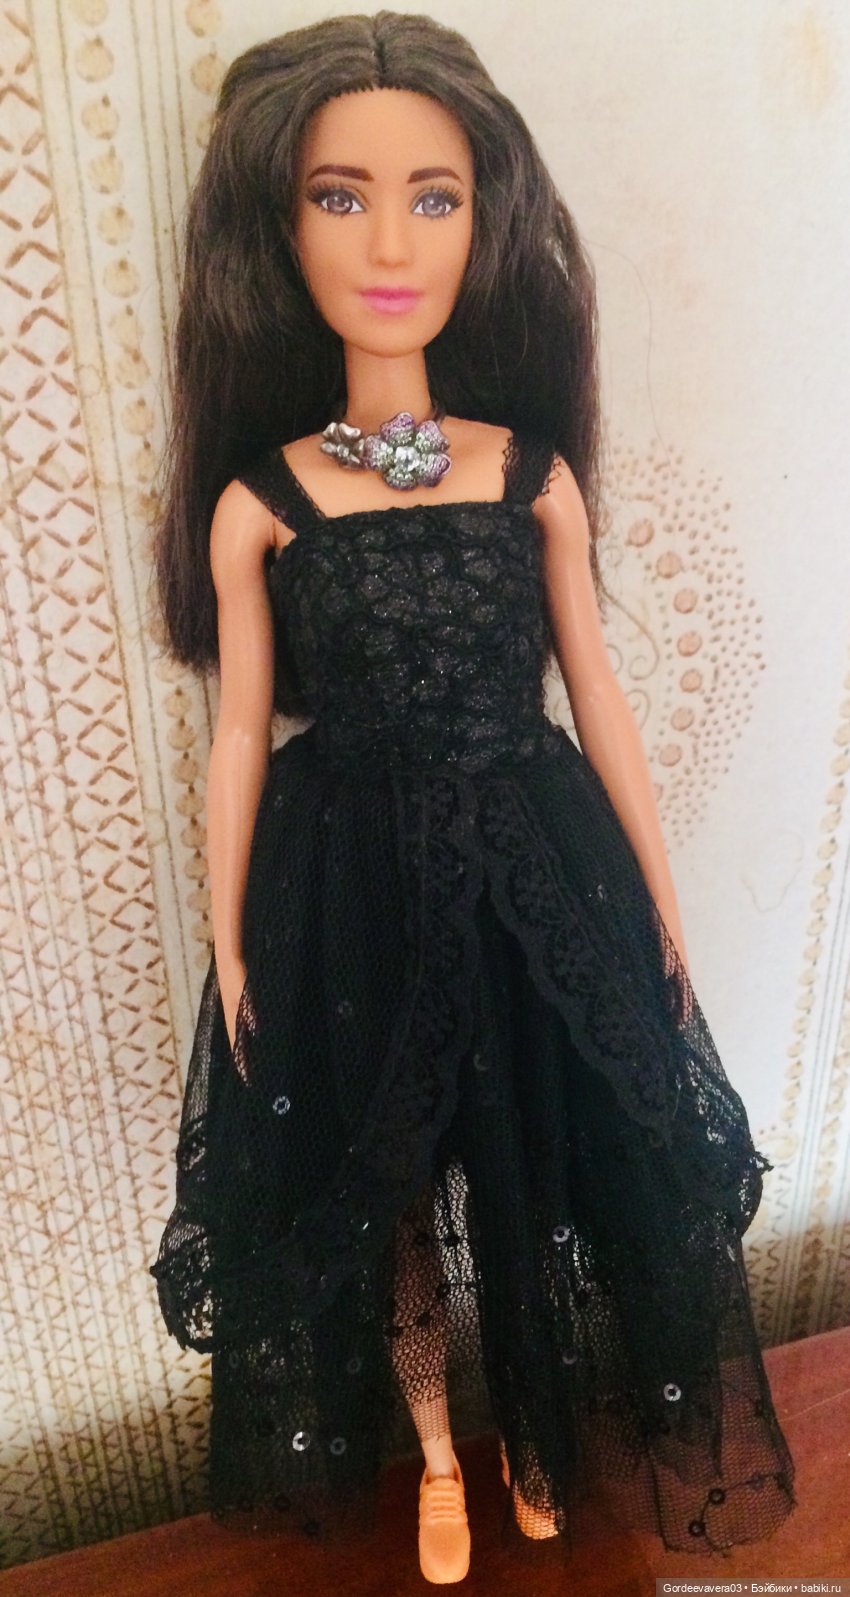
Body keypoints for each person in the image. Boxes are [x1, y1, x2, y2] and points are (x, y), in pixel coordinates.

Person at [148, 12, 796, 1583]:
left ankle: (540, 1443)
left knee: (548, 1165)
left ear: (484, 218)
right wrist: (230, 941)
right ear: (273, 227)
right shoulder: (260, 502)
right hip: (346, 877)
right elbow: (238, 734)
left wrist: (656, 898)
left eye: (432, 196)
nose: (390, 242)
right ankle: (439, 1454)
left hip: (532, 856)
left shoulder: (529, 471)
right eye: (338, 195)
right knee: (386, 1204)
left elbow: (596, 692)